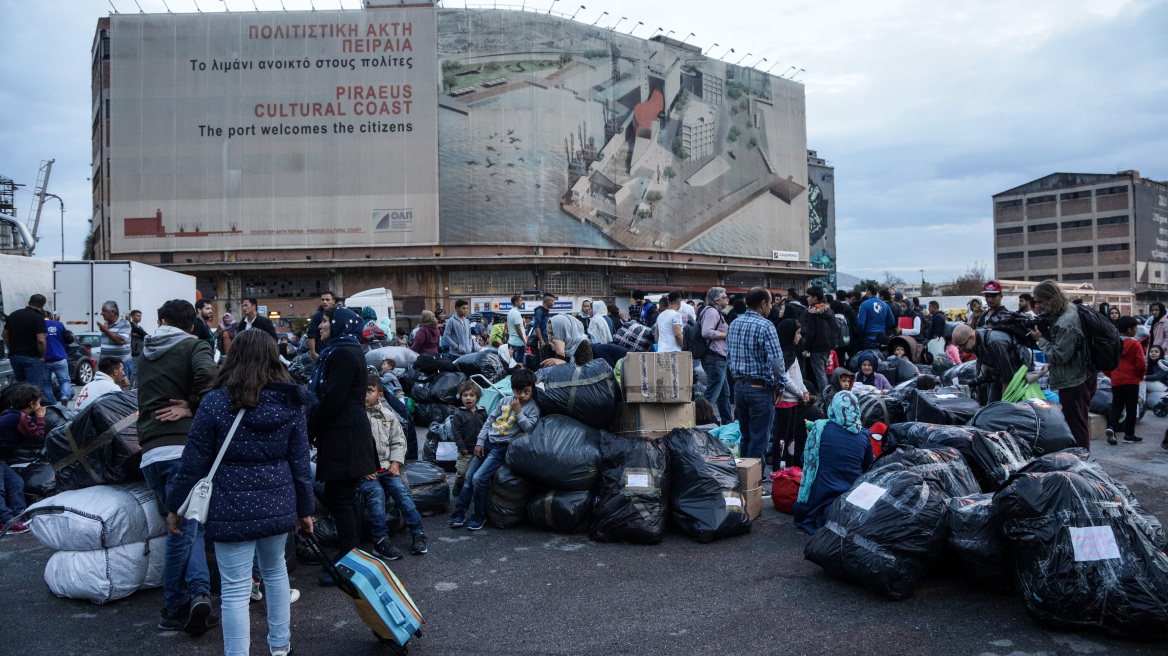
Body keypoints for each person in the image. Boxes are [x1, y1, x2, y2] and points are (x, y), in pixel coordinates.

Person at [164, 329, 313, 656]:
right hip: (277, 503)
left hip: (230, 505)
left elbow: (193, 463)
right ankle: (280, 646)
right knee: (275, 572)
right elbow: (301, 463)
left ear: (234, 358)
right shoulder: (291, 403)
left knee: (234, 589)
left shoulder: (215, 402)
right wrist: (305, 510)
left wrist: (176, 506)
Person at [137, 299, 219, 635]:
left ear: (160, 320)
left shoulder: (145, 352)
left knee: (186, 527)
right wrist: (192, 405)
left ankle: (194, 597)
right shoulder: (194, 345)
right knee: (184, 529)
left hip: (151, 453)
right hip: (183, 449)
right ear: (192, 325)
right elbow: (211, 375)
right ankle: (177, 605)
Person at [307, 306, 380, 583]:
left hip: (344, 437)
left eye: (325, 321)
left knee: (341, 498)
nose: (320, 326)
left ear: (340, 324)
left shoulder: (343, 354)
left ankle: (349, 560)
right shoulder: (342, 351)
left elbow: (333, 399)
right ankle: (352, 555)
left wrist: (309, 428)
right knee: (344, 497)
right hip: (344, 434)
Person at [451, 368, 540, 530]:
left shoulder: (532, 408)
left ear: (532, 391)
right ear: (512, 389)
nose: (521, 396)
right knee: (469, 478)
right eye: (518, 391)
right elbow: (489, 421)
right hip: (488, 443)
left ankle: (479, 515)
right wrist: (480, 442)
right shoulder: (504, 401)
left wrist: (519, 412)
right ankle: (459, 513)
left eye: (526, 392)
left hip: (501, 448)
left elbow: (529, 429)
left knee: (479, 479)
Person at [359, 372, 428, 560]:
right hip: (367, 472)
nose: (365, 394)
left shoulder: (388, 415)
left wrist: (396, 463)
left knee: (402, 494)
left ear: (380, 395)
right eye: (362, 390)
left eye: (369, 391)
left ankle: (418, 532)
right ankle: (380, 540)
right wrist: (362, 469)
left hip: (388, 467)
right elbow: (352, 447)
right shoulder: (356, 417)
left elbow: (398, 441)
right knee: (376, 496)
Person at [791, 391, 874, 534]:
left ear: (833, 407)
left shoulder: (820, 428)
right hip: (849, 497)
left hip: (819, 496)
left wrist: (811, 443)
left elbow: (805, 460)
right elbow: (868, 467)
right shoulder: (863, 435)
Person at [1029, 280, 1095, 450]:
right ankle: (1079, 456)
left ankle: (1082, 459)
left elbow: (1059, 355)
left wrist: (1040, 340)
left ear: (1053, 298)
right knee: (1077, 422)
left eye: (1040, 302)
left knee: (1076, 425)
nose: (1037, 306)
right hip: (1081, 375)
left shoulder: (1066, 322)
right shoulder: (1069, 310)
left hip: (1075, 380)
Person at [727, 287, 787, 461]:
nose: (771, 307)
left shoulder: (734, 323)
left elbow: (729, 356)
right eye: (770, 303)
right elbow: (776, 362)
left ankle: (744, 475)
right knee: (759, 440)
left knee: (745, 437)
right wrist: (780, 385)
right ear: (763, 303)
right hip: (760, 389)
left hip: (739, 387)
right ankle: (755, 477)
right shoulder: (766, 326)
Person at [0, 383, 45, 535]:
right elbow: (38, 436)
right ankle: (5, 522)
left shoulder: (9, 413)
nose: (40, 405)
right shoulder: (21, 418)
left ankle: (19, 515)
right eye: (38, 402)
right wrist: (40, 417)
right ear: (32, 404)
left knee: (15, 482)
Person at [952, 323, 1031, 403]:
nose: (961, 349)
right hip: (1000, 373)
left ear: (972, 338)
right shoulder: (977, 340)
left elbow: (1007, 376)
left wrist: (1004, 402)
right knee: (992, 404)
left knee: (1005, 405)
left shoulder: (994, 343)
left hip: (1017, 371)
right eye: (958, 346)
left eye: (962, 345)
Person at [773, 320, 810, 471]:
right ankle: (777, 468)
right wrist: (801, 393)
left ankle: (789, 466)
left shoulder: (792, 353)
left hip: (793, 399)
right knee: (781, 436)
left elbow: (798, 377)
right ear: (789, 334)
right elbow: (785, 379)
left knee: (790, 436)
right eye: (798, 333)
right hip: (785, 400)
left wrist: (805, 391)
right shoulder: (782, 354)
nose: (800, 337)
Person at [1104, 316, 1145, 445]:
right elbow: (1141, 363)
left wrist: (1112, 375)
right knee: (1131, 407)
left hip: (1117, 379)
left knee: (1117, 405)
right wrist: (1140, 376)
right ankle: (1129, 435)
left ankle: (1111, 427)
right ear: (1129, 330)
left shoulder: (1113, 345)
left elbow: (1106, 363)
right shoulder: (1135, 344)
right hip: (1132, 380)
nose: (1136, 331)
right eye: (1135, 328)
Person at [2, 294, 48, 396]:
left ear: (29, 302)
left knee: (21, 387)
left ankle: (22, 405)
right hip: (32, 356)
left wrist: (11, 348)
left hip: (15, 356)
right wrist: (42, 356)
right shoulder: (38, 317)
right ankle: (33, 405)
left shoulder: (13, 315)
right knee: (34, 388)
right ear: (42, 305)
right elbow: (41, 340)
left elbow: (4, 334)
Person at [699, 287, 733, 425]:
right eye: (725, 297)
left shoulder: (714, 311)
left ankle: (727, 422)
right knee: (711, 394)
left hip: (718, 357)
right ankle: (699, 420)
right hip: (714, 357)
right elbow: (706, 332)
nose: (728, 299)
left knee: (724, 394)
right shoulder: (712, 312)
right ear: (717, 300)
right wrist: (725, 335)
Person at [800, 286, 838, 397]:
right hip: (828, 346)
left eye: (809, 296)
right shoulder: (828, 310)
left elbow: (811, 332)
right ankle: (827, 395)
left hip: (816, 347)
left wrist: (806, 348)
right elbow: (835, 329)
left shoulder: (812, 312)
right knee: (823, 373)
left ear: (815, 298)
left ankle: (824, 397)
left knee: (820, 374)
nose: (807, 299)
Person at [451, 381, 487, 495]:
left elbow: (487, 428)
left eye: (472, 395)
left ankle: (472, 491)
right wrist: (462, 447)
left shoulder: (482, 412)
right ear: (461, 397)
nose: (468, 398)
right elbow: (456, 433)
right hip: (465, 451)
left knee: (477, 472)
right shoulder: (459, 414)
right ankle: (458, 484)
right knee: (462, 472)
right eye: (465, 395)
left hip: (480, 450)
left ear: (477, 397)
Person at [43, 311, 71, 404]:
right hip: (60, 357)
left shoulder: (38, 326)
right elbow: (69, 339)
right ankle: (65, 396)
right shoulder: (59, 325)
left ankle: (52, 403)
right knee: (65, 381)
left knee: (46, 384)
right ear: (50, 317)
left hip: (45, 359)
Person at [306, 291, 339, 359]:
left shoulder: (337, 314)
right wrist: (313, 353)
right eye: (322, 300)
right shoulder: (317, 316)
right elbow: (311, 334)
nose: (324, 302)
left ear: (333, 301)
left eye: (327, 300)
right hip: (321, 352)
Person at [505, 295, 528, 364]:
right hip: (518, 343)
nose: (522, 302)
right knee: (519, 365)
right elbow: (518, 329)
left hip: (512, 341)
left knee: (513, 364)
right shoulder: (516, 313)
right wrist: (524, 341)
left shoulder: (510, 312)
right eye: (520, 301)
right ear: (516, 302)